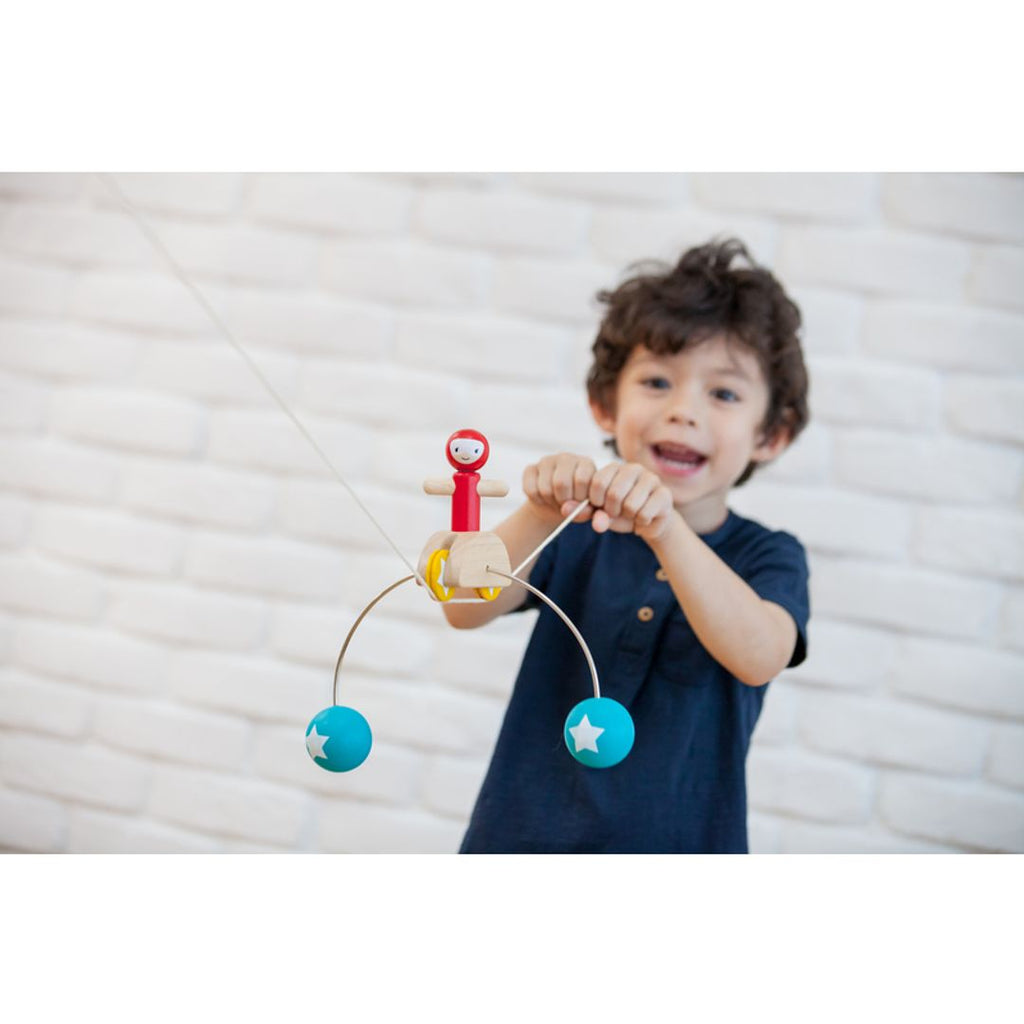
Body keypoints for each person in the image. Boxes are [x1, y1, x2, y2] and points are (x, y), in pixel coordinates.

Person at [444, 237, 811, 853]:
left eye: (723, 393)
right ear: (604, 407)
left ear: (770, 434)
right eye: (657, 381)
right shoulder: (575, 530)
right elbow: (463, 605)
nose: (682, 411)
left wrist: (665, 527)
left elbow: (760, 655)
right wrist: (538, 513)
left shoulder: (768, 556)